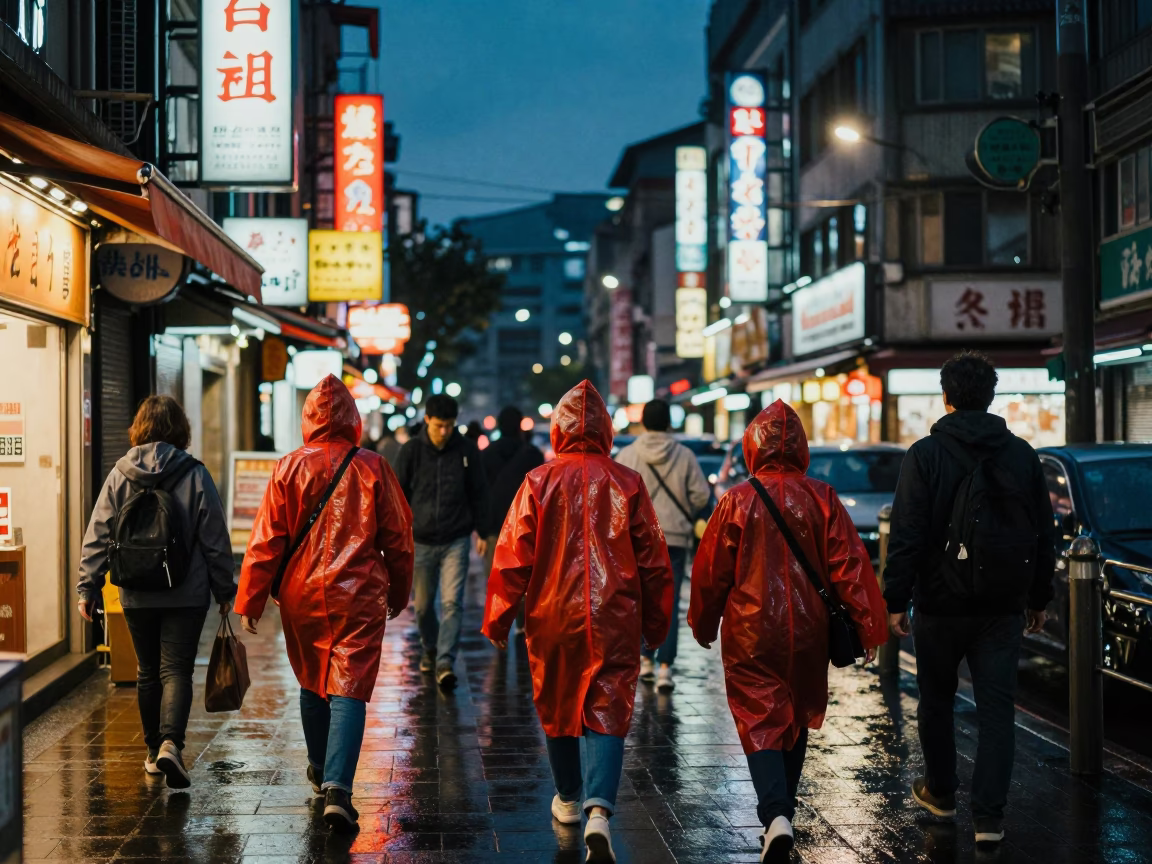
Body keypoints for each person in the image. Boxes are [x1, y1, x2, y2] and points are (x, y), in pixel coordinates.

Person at [483, 381, 673, 864]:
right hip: (616, 613)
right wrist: (657, 622)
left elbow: (511, 559)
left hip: (552, 615)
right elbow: (654, 562)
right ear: (606, 429)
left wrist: (498, 619)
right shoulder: (627, 483)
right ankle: (599, 812)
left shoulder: (538, 482)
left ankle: (568, 797)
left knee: (558, 702)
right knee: (608, 707)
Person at [689, 401, 887, 864]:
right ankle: (783, 815)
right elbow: (850, 566)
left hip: (751, 630)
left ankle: (775, 815)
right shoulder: (822, 497)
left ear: (752, 446)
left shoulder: (737, 499)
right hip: (810, 628)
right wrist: (869, 626)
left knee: (758, 717)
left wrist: (702, 622)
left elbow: (711, 572)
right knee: (795, 715)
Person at [884, 352, 1055, 846]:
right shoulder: (1021, 453)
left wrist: (896, 598)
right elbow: (1043, 532)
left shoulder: (925, 454)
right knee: (997, 710)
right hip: (1002, 604)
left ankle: (940, 793)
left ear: (946, 396)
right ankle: (989, 818)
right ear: (991, 396)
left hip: (941, 603)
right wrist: (1037, 596)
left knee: (935, 700)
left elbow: (908, 532)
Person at [235, 375, 413, 833]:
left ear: (308, 418)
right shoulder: (373, 467)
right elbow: (398, 539)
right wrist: (400, 592)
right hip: (359, 594)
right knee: (349, 686)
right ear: (353, 419)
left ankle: (319, 768)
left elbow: (266, 540)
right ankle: (338, 787)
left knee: (312, 678)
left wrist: (250, 600)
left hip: (302, 594)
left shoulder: (288, 467)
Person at [77, 395, 235, 790]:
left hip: (135, 589)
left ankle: (152, 753)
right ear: (181, 430)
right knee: (176, 669)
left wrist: (88, 586)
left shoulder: (120, 473)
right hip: (187, 589)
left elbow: (99, 531)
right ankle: (171, 744)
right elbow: (214, 536)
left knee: (148, 671)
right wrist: (224, 588)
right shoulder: (195, 473)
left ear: (139, 427)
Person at [393, 393, 489, 688]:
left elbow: (479, 492)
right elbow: (397, 494)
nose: (444, 432)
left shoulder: (466, 451)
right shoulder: (411, 451)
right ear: (427, 421)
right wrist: (396, 533)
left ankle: (445, 660)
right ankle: (431, 647)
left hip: (455, 538)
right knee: (422, 607)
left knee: (452, 604)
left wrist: (482, 531)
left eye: (449, 425)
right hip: (420, 539)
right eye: (438, 426)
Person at [615, 399, 710, 692]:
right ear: (670, 422)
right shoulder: (684, 456)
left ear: (642, 422)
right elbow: (700, 496)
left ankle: (644, 660)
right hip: (675, 540)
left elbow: (616, 497)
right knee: (668, 604)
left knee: (640, 599)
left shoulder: (627, 455)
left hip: (637, 541)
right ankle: (666, 669)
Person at [480, 406, 545, 606]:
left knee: (497, 581)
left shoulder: (487, 454)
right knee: (526, 580)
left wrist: (482, 532)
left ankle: (498, 627)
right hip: (526, 527)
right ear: (519, 426)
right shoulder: (533, 455)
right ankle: (521, 626)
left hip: (495, 528)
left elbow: (481, 493)